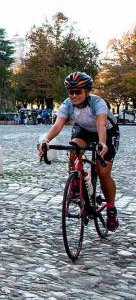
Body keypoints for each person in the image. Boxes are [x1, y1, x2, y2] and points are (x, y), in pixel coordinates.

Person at [38, 72, 120, 230]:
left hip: (106, 132)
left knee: (103, 172)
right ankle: (76, 182)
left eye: (78, 92)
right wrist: (46, 140)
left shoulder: (97, 102)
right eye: (71, 92)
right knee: (73, 149)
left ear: (86, 91)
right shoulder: (67, 104)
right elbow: (57, 125)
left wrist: (102, 143)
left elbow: (101, 124)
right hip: (83, 130)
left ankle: (111, 208)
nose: (74, 95)